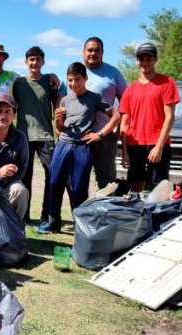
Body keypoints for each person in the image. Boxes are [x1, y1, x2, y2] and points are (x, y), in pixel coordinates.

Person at [37, 62, 120, 234]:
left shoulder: (94, 97)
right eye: (70, 80)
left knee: (79, 187)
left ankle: (80, 222)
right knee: (54, 182)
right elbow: (59, 129)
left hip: (83, 146)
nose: (74, 84)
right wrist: (58, 119)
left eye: (77, 79)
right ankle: (54, 221)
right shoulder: (65, 99)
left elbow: (116, 116)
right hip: (63, 144)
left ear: (85, 79)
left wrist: (100, 134)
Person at [13, 46, 65, 224]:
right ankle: (24, 216)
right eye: (31, 59)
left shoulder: (50, 82)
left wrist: (60, 126)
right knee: (24, 176)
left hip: (45, 136)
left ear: (43, 61)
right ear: (26, 61)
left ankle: (47, 215)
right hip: (23, 136)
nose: (34, 62)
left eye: (38, 59)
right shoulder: (18, 83)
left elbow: (60, 101)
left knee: (53, 174)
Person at [119, 42, 180, 193]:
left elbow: (169, 117)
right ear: (136, 61)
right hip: (135, 144)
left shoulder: (166, 83)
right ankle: (138, 215)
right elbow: (125, 123)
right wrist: (125, 152)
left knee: (160, 188)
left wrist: (159, 147)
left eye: (149, 58)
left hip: (158, 143)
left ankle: (159, 216)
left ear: (155, 59)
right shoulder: (130, 89)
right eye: (142, 59)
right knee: (136, 186)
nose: (145, 62)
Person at [0, 43, 60, 130]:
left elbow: (33, 78)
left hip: (5, 128)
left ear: (4, 58)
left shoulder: (13, 77)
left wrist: (51, 75)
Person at [83, 36, 128, 189]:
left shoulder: (113, 73)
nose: (93, 53)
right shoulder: (76, 72)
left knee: (106, 184)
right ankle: (81, 213)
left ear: (102, 52)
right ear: (83, 52)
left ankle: (107, 213)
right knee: (77, 181)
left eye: (97, 50)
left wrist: (119, 129)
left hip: (105, 136)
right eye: (89, 50)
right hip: (79, 136)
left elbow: (126, 103)